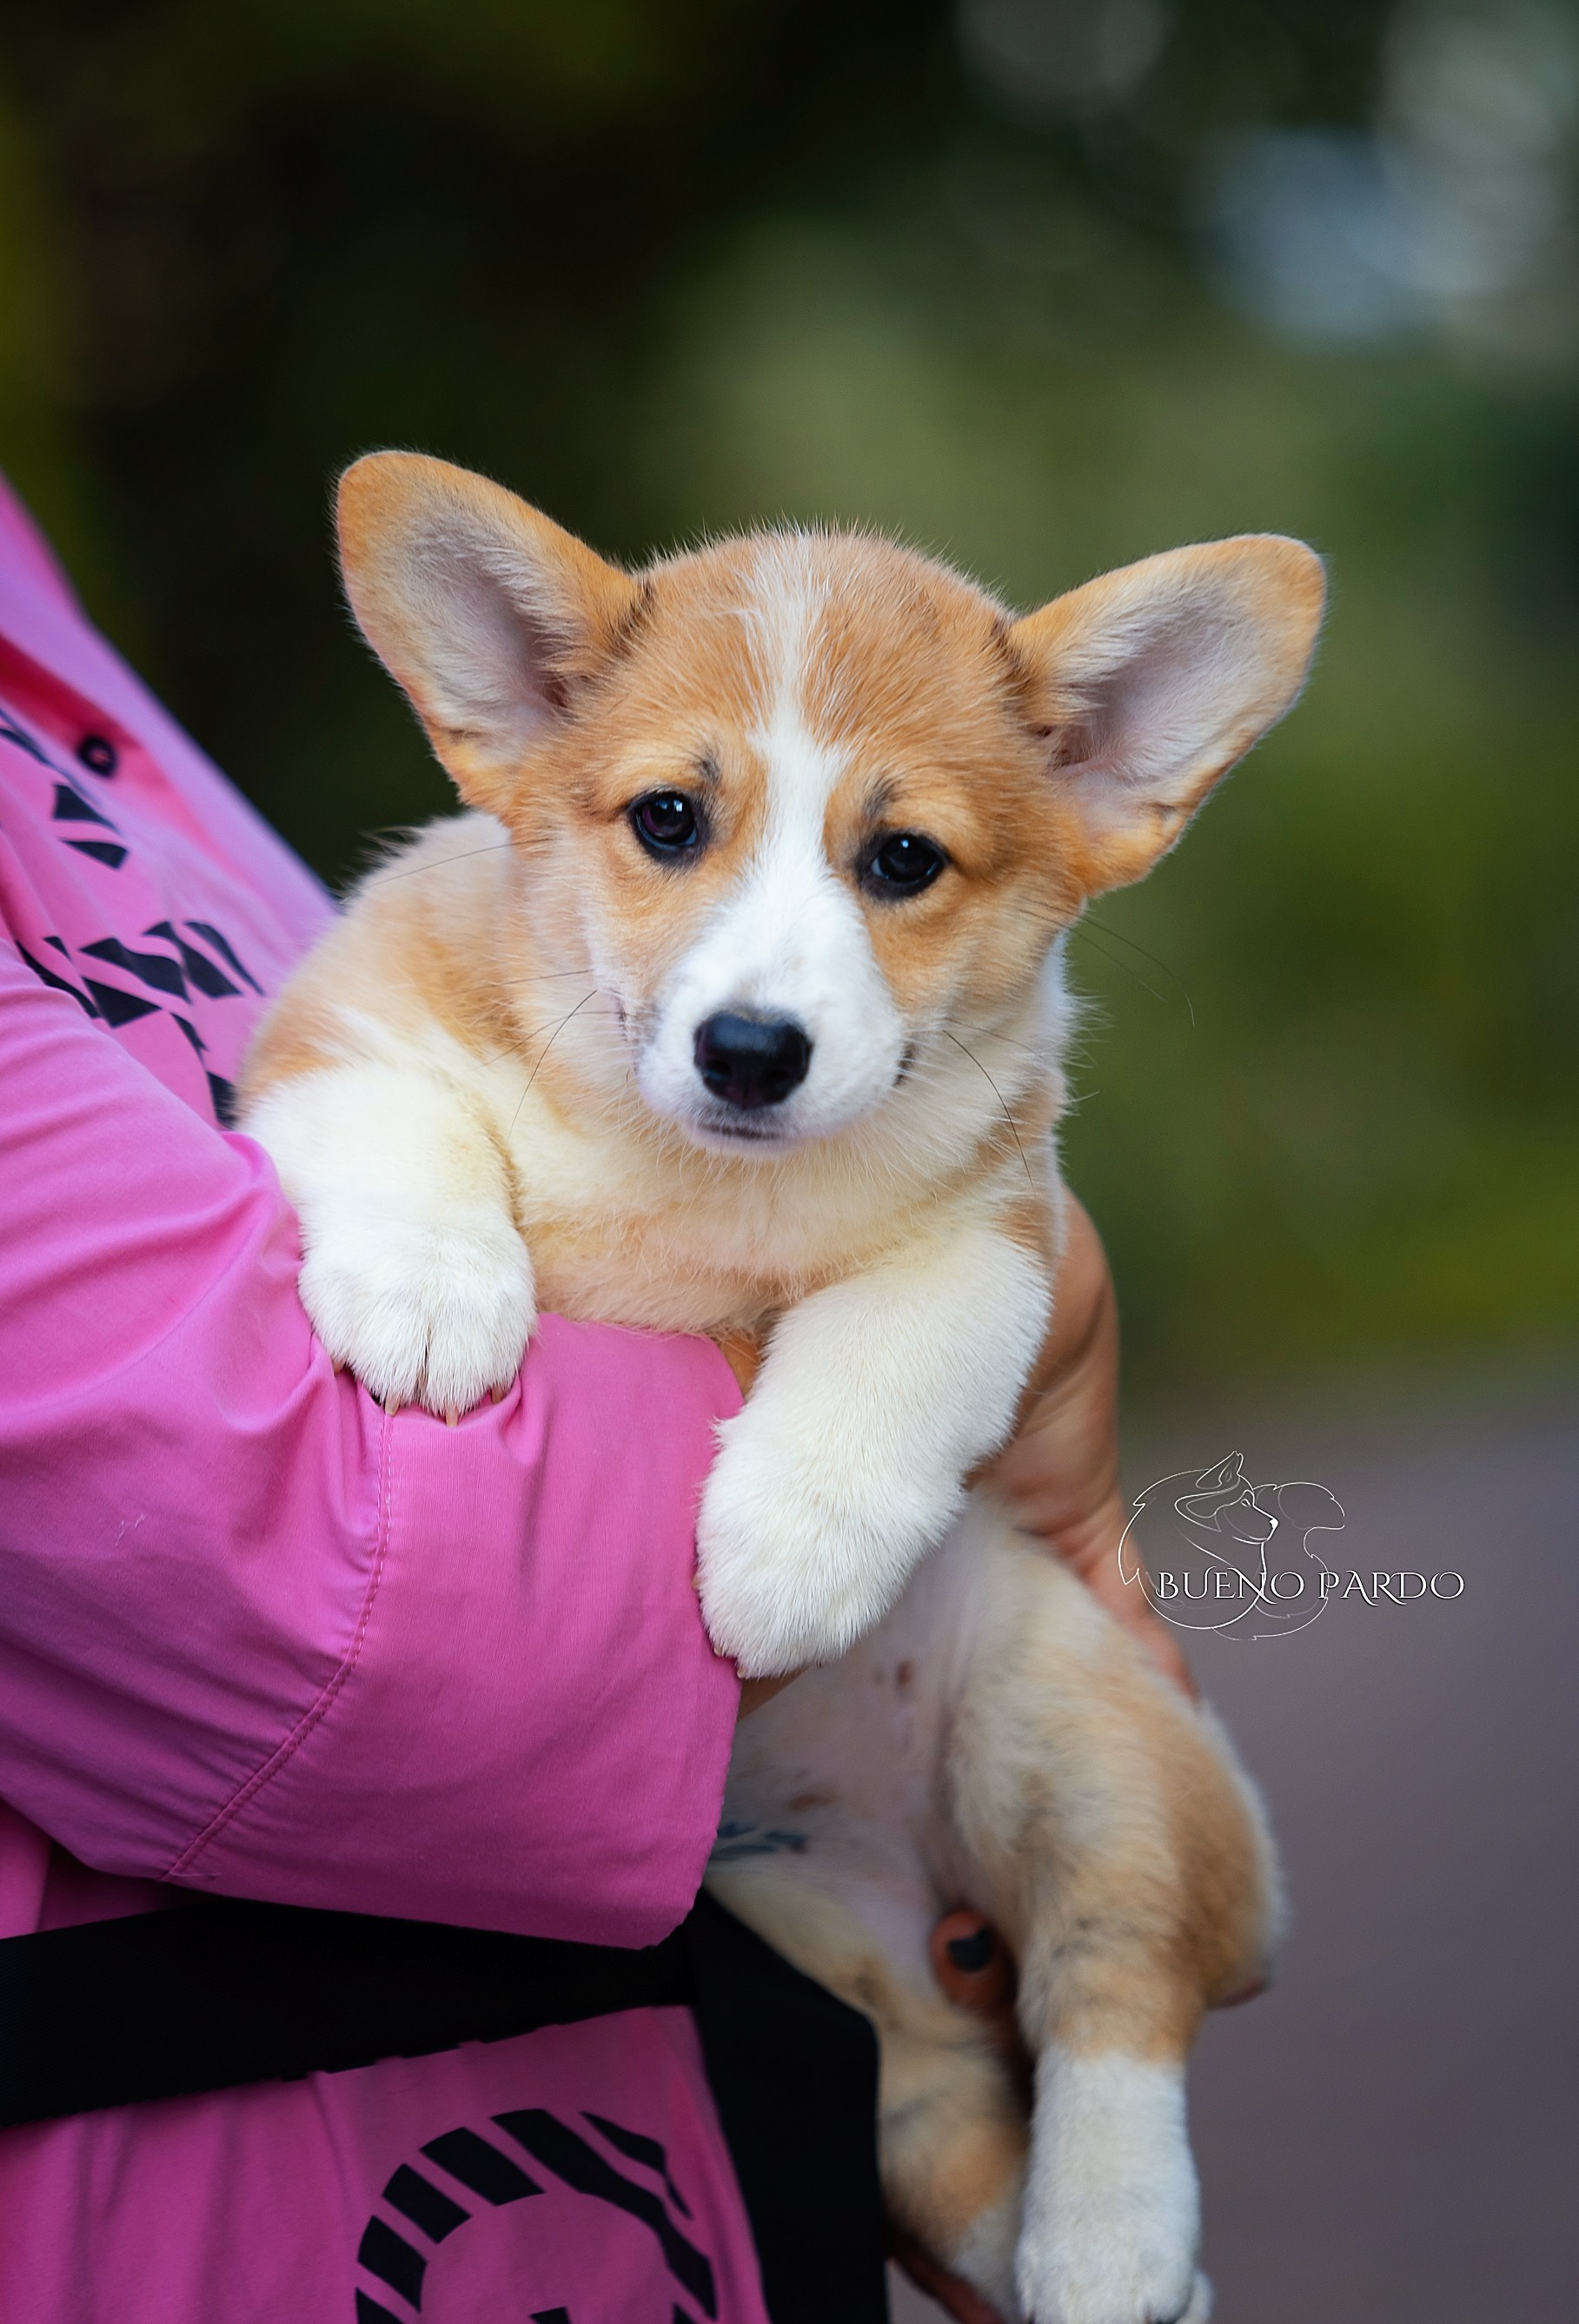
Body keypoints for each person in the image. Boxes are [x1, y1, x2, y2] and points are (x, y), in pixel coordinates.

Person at [0, 473, 1187, 2321]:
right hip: (169, 2169)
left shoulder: (36, 606)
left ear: (1106, 784)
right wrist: (413, 1204)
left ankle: (1115, 2129)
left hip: (637, 2123)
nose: (759, 984)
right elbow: (276, 1552)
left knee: (1075, 1804)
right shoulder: (453, 941)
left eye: (895, 862)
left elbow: (976, 1262)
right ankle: (979, 2160)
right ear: (520, 707)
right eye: (670, 822)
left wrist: (968, 1361)